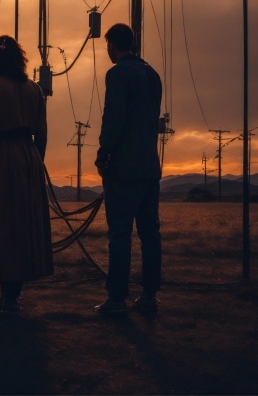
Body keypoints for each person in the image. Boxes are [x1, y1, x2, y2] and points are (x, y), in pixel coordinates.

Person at [0, 35, 54, 315]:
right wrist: (35, 160)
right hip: (29, 156)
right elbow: (42, 134)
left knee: (4, 221)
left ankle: (7, 293)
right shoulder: (34, 90)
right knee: (24, 221)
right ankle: (16, 289)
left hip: (2, 157)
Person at [94, 22, 163, 317]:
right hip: (149, 166)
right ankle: (149, 297)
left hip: (124, 167)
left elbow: (114, 118)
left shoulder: (118, 74)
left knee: (120, 232)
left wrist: (103, 154)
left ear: (112, 45)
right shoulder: (152, 74)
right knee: (150, 232)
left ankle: (117, 299)